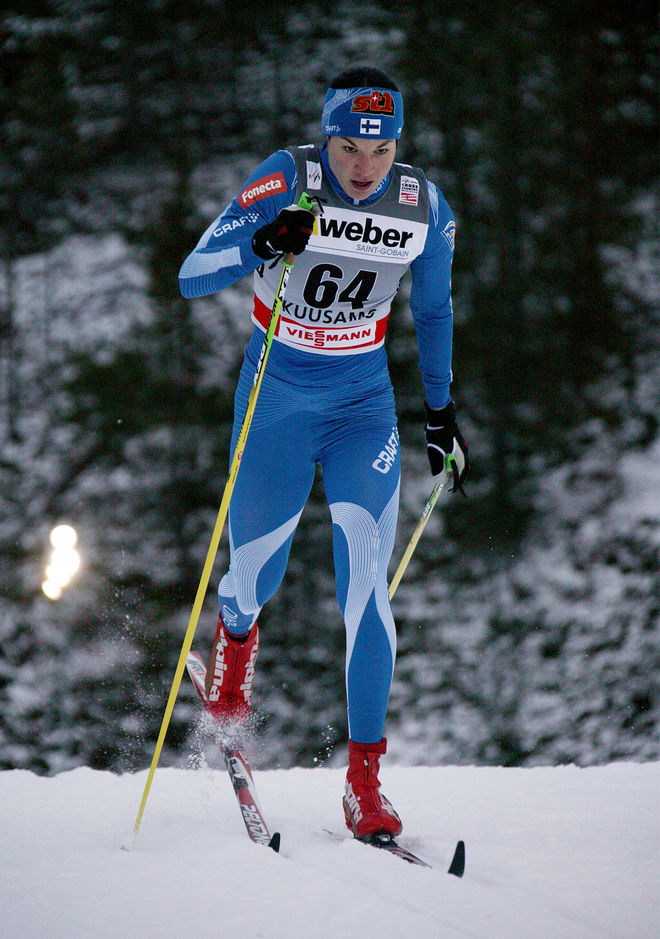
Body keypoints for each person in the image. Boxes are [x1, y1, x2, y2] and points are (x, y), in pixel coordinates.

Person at [179, 66, 469, 841]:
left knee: (367, 589)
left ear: (397, 144)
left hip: (362, 407)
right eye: (348, 147)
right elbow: (192, 272)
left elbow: (434, 308)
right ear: (327, 137)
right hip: (276, 396)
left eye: (380, 149)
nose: (364, 166)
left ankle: (365, 783)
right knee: (256, 573)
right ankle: (233, 649)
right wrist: (263, 241)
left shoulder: (423, 208)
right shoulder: (289, 176)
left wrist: (440, 411)